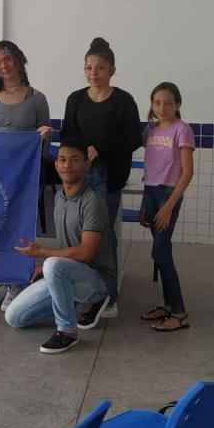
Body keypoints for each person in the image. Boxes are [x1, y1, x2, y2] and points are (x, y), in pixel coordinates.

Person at [4, 139, 116, 354]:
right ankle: (69, 303)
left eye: (75, 160)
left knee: (53, 264)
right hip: (69, 273)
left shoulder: (93, 201)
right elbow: (66, 246)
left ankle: (67, 331)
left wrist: (44, 256)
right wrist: (45, 267)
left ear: (86, 164)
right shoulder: (59, 196)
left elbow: (86, 252)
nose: (67, 165)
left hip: (97, 280)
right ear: (56, 165)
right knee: (14, 317)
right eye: (62, 160)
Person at [0, 40, 52, 312]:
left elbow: (44, 142)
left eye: (7, 59)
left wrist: (43, 137)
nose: (4, 65)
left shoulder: (37, 99)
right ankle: (0, 281)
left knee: (20, 230)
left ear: (17, 59)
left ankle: (17, 282)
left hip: (25, 179)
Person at [61, 37, 142, 314]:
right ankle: (79, 287)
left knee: (102, 237)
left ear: (112, 70)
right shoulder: (75, 99)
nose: (93, 73)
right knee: (77, 234)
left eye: (100, 68)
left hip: (108, 177)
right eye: (88, 68)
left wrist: (101, 150)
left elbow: (133, 138)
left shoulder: (123, 101)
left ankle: (107, 296)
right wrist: (82, 153)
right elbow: (68, 136)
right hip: (78, 176)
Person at [138, 82, 194, 332]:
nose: (162, 107)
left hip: (168, 194)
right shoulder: (149, 130)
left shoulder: (182, 129)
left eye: (168, 102)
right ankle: (168, 305)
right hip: (150, 192)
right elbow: (150, 168)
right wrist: (144, 202)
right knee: (161, 251)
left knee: (160, 252)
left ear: (178, 105)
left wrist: (169, 206)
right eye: (157, 102)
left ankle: (179, 312)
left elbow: (187, 173)